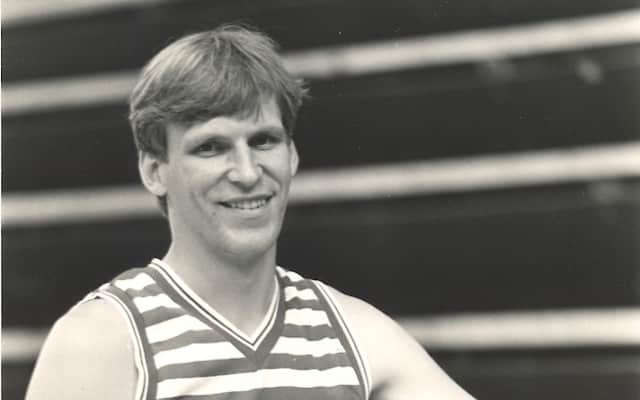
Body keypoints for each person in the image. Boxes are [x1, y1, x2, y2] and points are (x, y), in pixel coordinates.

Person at [26, 24, 475, 400]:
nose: (246, 172)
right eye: (211, 147)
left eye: (263, 141)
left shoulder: (351, 332)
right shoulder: (103, 341)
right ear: (154, 171)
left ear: (292, 155)